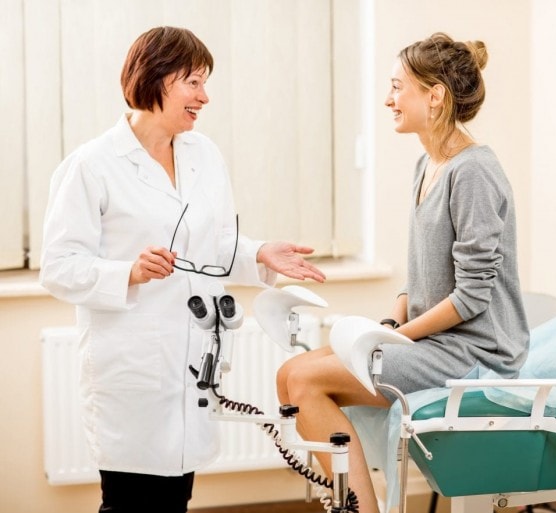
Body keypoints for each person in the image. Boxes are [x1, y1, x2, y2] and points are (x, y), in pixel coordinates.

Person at [39, 26, 325, 513]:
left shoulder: (204, 155)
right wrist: (128, 271)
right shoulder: (92, 165)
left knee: (175, 497)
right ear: (157, 78)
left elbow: (210, 245)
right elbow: (58, 267)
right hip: (132, 368)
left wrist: (258, 253)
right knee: (131, 501)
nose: (204, 96)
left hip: (193, 359)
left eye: (204, 82)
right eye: (193, 82)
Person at [276, 32, 529, 513]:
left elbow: (472, 297)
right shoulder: (426, 164)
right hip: (433, 343)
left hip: (475, 355)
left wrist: (396, 340)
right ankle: (351, 503)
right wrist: (387, 325)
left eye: (397, 87)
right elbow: (421, 279)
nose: (388, 99)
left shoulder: (473, 172)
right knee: (289, 374)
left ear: (434, 96)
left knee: (306, 383)